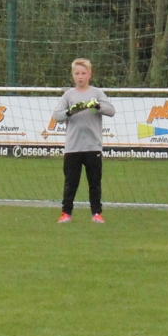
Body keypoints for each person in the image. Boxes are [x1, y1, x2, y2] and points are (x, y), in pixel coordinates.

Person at [51, 58, 115, 223]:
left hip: (93, 147)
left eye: (83, 73)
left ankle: (96, 213)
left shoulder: (96, 93)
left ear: (90, 74)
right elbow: (57, 116)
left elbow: (111, 110)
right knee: (70, 183)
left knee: (94, 183)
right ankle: (66, 213)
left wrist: (97, 106)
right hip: (73, 148)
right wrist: (70, 112)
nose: (80, 76)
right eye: (77, 73)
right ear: (73, 75)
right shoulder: (69, 95)